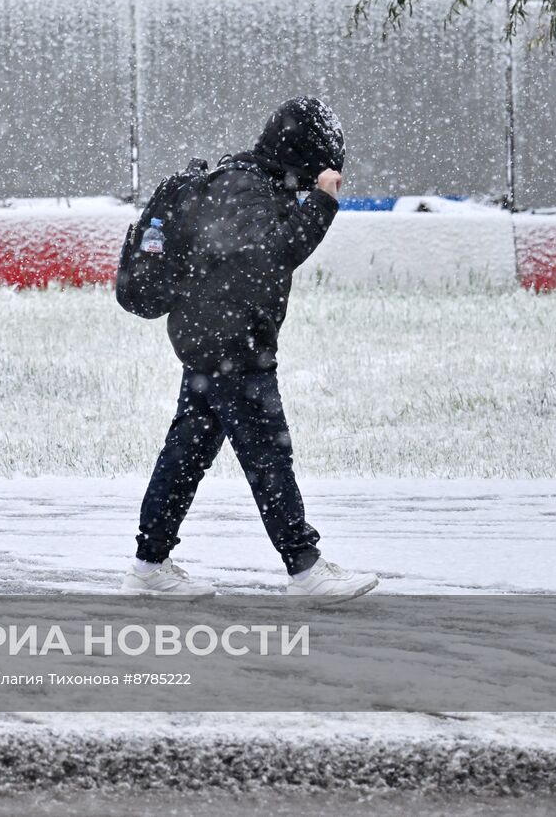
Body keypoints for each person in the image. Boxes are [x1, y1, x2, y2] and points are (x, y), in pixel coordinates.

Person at [120, 96, 378, 601]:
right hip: (232, 347)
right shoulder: (246, 188)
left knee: (185, 456)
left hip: (211, 343)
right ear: (303, 152)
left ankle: (149, 565)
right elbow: (272, 255)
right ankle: (305, 568)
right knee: (268, 457)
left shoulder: (246, 183)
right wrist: (322, 204)